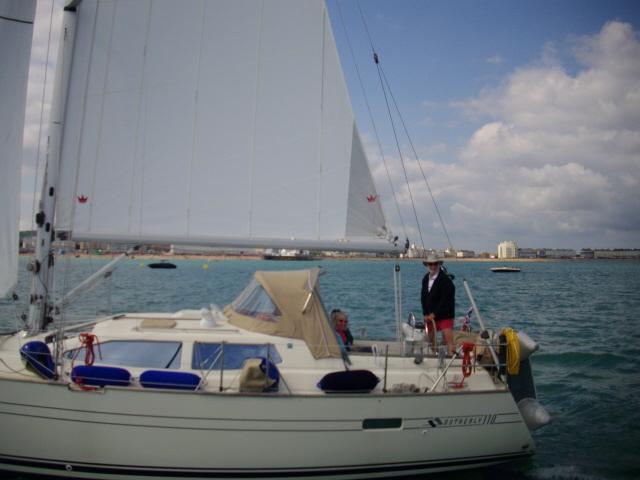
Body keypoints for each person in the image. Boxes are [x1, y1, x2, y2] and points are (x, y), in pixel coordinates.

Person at [420, 252, 456, 355]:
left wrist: (434, 314)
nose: (433, 266)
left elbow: (446, 301)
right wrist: (426, 314)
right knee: (431, 342)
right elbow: (423, 297)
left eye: (435, 264)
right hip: (431, 317)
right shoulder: (425, 278)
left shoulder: (446, 281)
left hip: (445, 315)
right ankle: (433, 361)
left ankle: (451, 360)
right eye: (430, 264)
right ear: (427, 265)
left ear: (439, 265)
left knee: (448, 341)